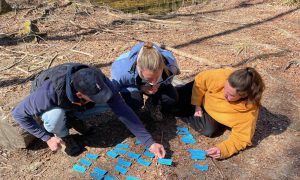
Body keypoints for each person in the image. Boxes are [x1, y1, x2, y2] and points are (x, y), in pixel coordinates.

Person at [12, 63, 165, 158]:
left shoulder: (99, 79)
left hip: (74, 101)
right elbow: (18, 114)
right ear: (80, 95)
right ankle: (65, 135)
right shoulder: (47, 94)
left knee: (112, 101)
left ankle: (74, 116)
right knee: (55, 117)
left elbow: (122, 110)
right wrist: (47, 138)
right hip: (55, 103)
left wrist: (149, 143)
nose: (101, 96)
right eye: (95, 96)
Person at [176, 67, 265, 159]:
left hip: (213, 113)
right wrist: (196, 104)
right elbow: (201, 80)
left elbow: (241, 138)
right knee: (170, 101)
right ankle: (177, 90)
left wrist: (222, 150)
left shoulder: (248, 112)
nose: (224, 94)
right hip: (200, 95)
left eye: (231, 95)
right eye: (225, 89)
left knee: (209, 130)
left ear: (244, 95)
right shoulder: (221, 76)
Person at [111, 42, 180, 121]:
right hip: (132, 84)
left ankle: (152, 105)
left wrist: (159, 84)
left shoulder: (170, 64)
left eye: (157, 77)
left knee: (171, 98)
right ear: (138, 68)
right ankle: (134, 108)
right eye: (148, 78)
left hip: (158, 85)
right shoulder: (122, 70)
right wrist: (141, 87)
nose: (153, 83)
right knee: (134, 102)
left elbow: (168, 79)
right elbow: (114, 92)